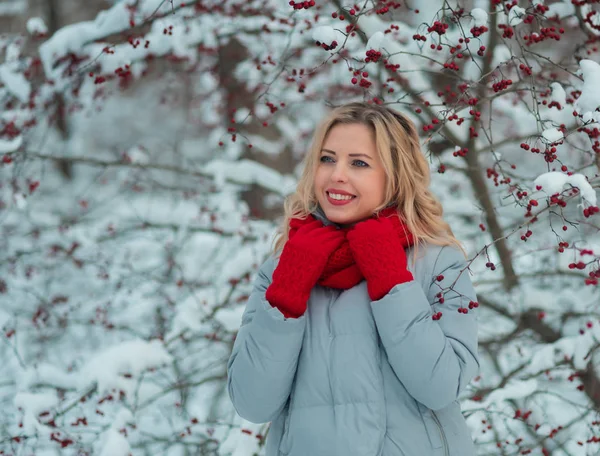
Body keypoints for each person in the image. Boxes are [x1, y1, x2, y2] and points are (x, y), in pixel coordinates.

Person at [227, 102, 479, 456]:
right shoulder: (281, 269)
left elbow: (440, 386)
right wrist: (289, 289)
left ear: (395, 174)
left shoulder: (436, 262)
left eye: (358, 163)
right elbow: (252, 403)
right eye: (327, 159)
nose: (336, 175)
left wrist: (390, 278)